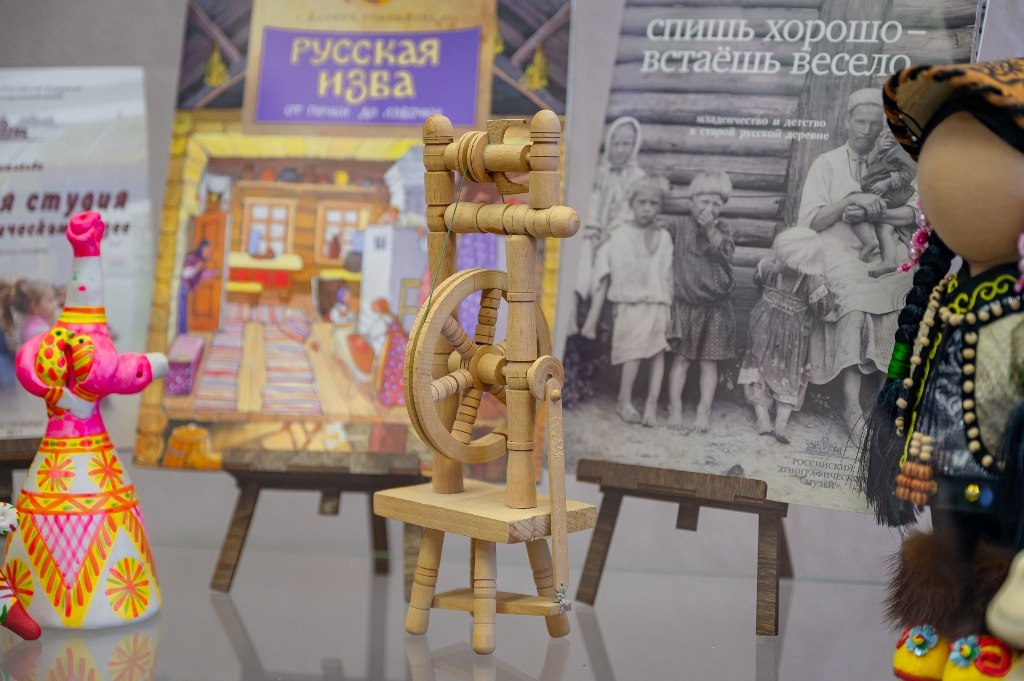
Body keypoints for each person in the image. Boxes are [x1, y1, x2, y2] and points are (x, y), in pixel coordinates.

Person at [858, 58, 1024, 681]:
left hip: (1009, 478)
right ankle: (945, 619)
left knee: (999, 541)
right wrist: (913, 449)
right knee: (947, 535)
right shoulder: (944, 298)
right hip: (943, 465)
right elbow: (927, 381)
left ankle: (989, 631)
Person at [796, 87, 916, 434]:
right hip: (837, 248)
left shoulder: (896, 159)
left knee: (902, 296)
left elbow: (915, 212)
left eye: (874, 124)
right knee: (854, 299)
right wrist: (849, 202)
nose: (867, 130)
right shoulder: (828, 163)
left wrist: (875, 210)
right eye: (860, 122)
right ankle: (851, 406)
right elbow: (811, 221)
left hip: (885, 248)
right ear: (847, 121)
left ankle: (885, 399)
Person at [580, 175, 672, 427]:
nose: (647, 208)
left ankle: (651, 404)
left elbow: (666, 275)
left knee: (657, 352)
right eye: (642, 202)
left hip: (657, 303)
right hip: (629, 304)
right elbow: (604, 271)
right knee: (632, 352)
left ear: (660, 207)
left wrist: (669, 306)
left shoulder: (664, 236)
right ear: (631, 203)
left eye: (653, 203)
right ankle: (624, 400)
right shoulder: (619, 235)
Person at [738, 227, 831, 444]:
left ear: (796, 263)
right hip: (762, 333)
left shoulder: (811, 282)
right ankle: (762, 418)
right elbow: (757, 283)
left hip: (792, 341)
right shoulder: (768, 269)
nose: (775, 259)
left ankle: (781, 423)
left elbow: (824, 308)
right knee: (758, 373)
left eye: (781, 257)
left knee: (789, 378)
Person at [666, 169, 736, 432]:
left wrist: (709, 229)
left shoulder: (722, 229)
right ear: (691, 200)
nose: (710, 208)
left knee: (709, 363)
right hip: (685, 306)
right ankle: (675, 408)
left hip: (714, 308)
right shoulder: (678, 227)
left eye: (717, 204)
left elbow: (725, 254)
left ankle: (703, 411)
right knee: (681, 360)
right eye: (705, 201)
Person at [848, 125, 918, 276]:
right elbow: (868, 165)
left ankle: (869, 242)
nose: (886, 136)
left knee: (855, 210)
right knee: (884, 228)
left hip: (894, 194)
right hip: (881, 193)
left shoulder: (901, 150)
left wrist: (887, 183)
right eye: (883, 134)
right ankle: (889, 261)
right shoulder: (881, 149)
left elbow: (910, 172)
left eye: (890, 133)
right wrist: (877, 150)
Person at [177, 239, 215, 334]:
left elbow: (201, 274)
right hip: (183, 287)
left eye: (209, 251)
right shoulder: (192, 257)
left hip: (186, 288)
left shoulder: (200, 261)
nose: (208, 253)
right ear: (202, 249)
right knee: (182, 310)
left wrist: (212, 274)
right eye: (206, 250)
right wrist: (196, 268)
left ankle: (183, 331)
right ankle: (182, 332)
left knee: (183, 310)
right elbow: (185, 274)